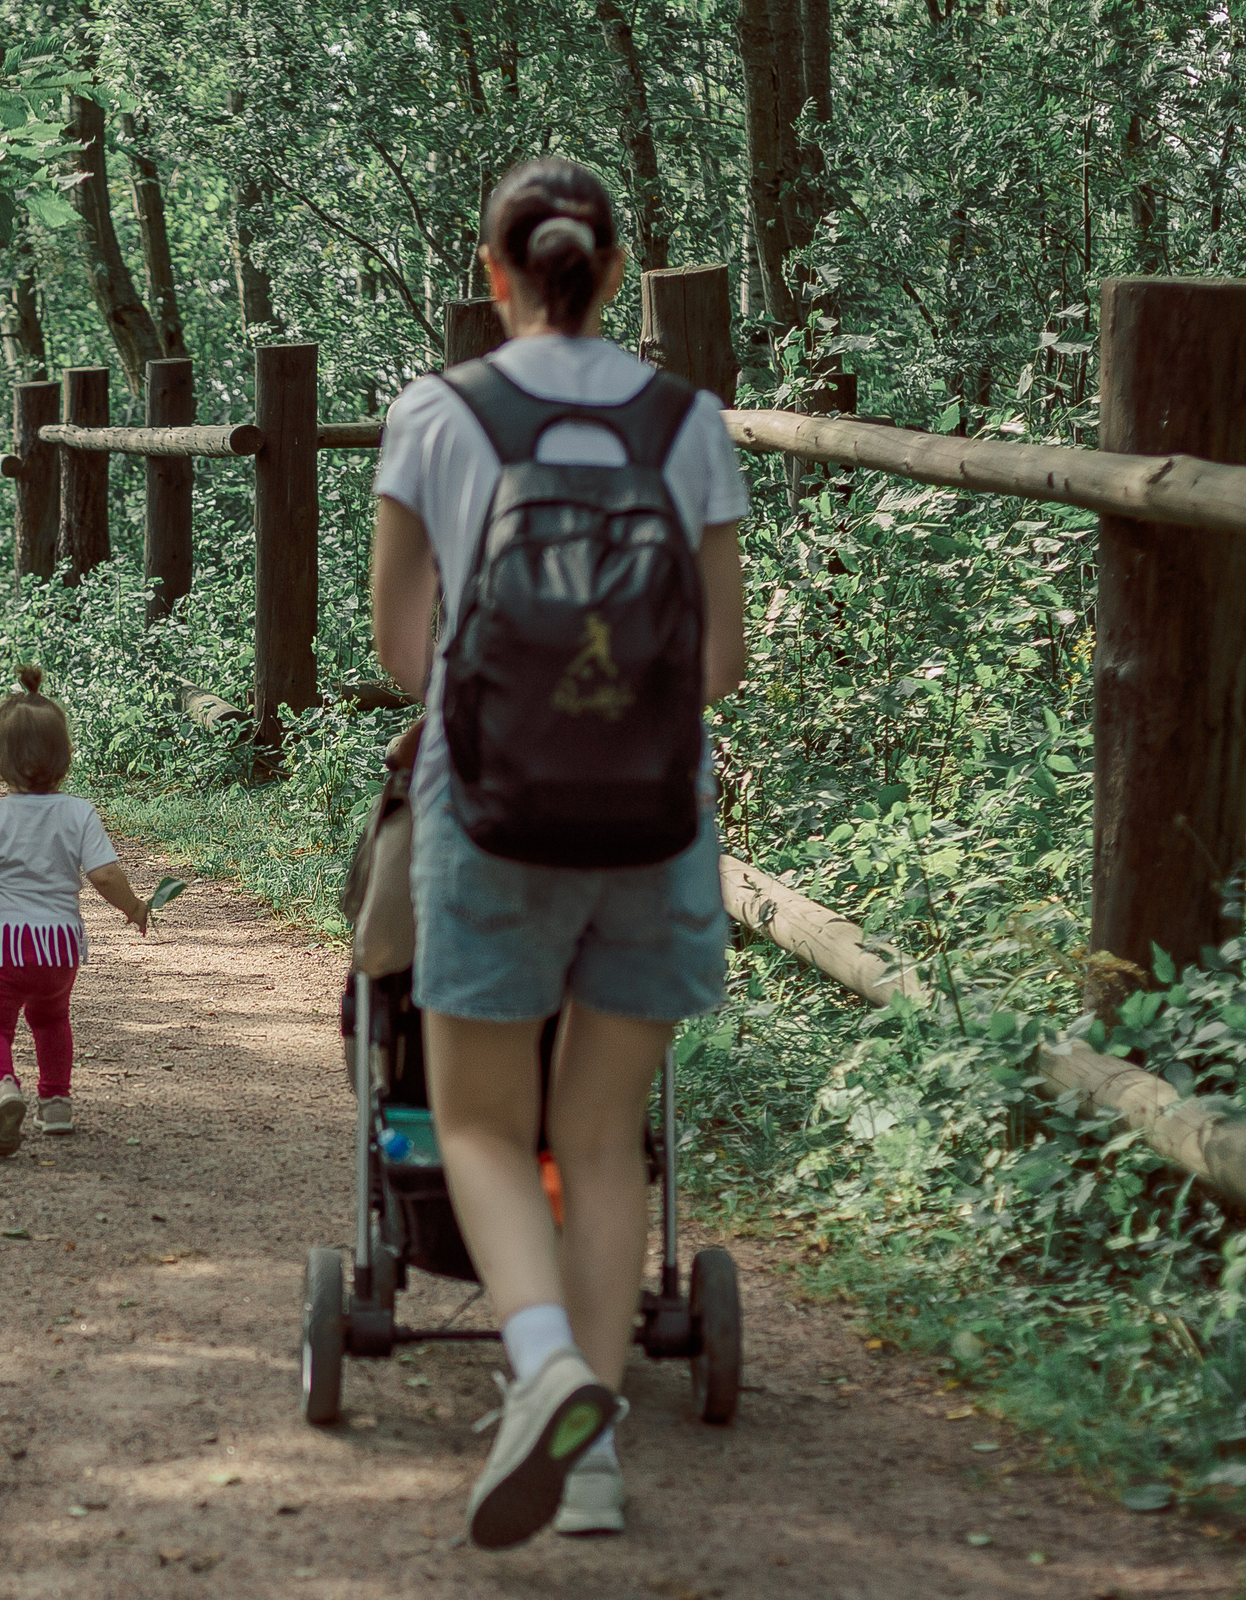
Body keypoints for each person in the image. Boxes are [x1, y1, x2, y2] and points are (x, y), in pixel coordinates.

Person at [368, 156, 749, 1546]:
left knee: (481, 1121)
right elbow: (719, 660)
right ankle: (590, 1465)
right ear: (612, 271)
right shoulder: (686, 419)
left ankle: (543, 1369)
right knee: (599, 1132)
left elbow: (402, 646)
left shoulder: (436, 412)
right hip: (655, 817)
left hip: (492, 813)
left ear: (496, 274)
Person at [0, 667, 152, 1156]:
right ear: (64, 756)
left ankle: (3, 1087)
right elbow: (106, 874)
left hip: (5, 945)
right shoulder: (79, 812)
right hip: (59, 946)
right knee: (51, 1020)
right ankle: (57, 1103)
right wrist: (134, 906)